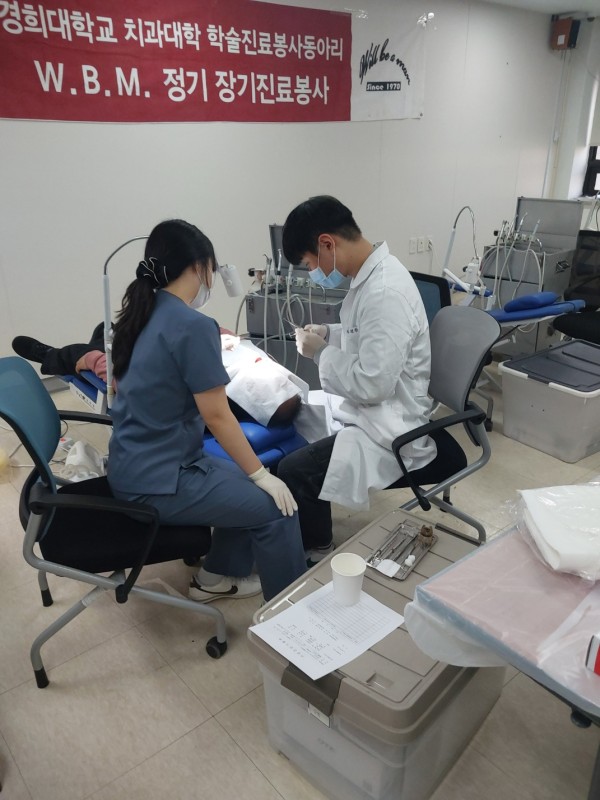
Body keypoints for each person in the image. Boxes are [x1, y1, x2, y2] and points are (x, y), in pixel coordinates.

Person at [105, 218, 306, 602]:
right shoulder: (191, 325)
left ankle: (216, 576)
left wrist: (254, 475)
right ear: (200, 267)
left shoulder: (140, 313)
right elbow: (216, 415)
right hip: (158, 482)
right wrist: (262, 475)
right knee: (279, 508)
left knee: (245, 481)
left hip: (135, 465)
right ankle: (288, 617)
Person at [276, 195, 437, 564]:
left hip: (391, 427)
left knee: (295, 470)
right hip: (373, 410)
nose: (313, 272)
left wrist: (321, 353)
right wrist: (330, 334)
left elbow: (373, 384)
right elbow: (367, 338)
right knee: (299, 416)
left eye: (309, 263)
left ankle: (317, 551)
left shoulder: (384, 292)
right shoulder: (370, 278)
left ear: (327, 243)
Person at [12, 327, 304, 427]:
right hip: (156, 348)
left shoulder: (193, 391)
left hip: (128, 364)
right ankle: (99, 341)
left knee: (83, 353)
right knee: (108, 329)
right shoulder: (250, 365)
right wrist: (222, 336)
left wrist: (94, 359)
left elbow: (122, 380)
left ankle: (51, 356)